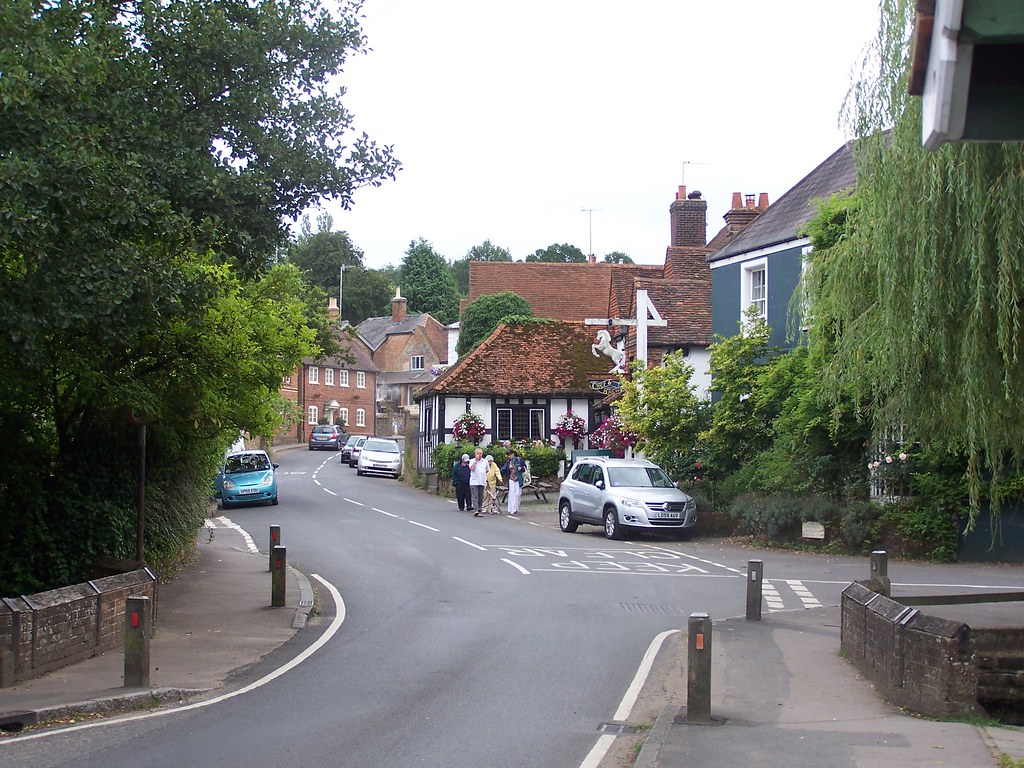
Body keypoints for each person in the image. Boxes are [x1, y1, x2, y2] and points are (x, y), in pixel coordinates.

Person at [501, 448, 527, 516]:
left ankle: (516, 508)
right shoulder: (508, 461)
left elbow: (525, 468)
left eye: (510, 454)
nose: (509, 456)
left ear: (513, 454)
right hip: (511, 479)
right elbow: (504, 469)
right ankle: (512, 509)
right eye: (508, 455)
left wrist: (521, 468)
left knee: (518, 494)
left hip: (518, 479)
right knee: (512, 493)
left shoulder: (519, 460)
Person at [469, 447, 488, 516]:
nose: (479, 455)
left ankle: (479, 508)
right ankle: (476, 510)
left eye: (480, 453)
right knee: (475, 496)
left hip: (481, 482)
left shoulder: (485, 462)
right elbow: (472, 469)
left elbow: (487, 470)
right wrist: (476, 461)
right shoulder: (472, 461)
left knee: (480, 496)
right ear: (475, 454)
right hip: (474, 482)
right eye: (478, 453)